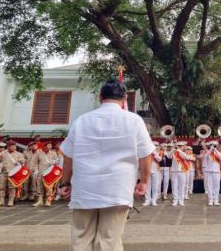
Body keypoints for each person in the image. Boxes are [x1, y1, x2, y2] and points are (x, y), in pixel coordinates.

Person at [59, 78, 154, 251]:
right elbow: (145, 155)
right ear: (125, 98)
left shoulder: (81, 120)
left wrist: (65, 182)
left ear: (100, 97)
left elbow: (68, 155)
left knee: (81, 237)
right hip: (117, 187)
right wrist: (144, 181)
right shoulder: (134, 120)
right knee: (109, 239)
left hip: (85, 187)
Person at [0, 141, 26, 207]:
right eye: (12, 146)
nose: (14, 147)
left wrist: (22, 161)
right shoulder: (2, 153)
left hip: (13, 173)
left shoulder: (19, 154)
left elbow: (23, 161)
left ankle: (11, 200)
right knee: (1, 187)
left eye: (14, 146)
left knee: (12, 187)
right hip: (4, 172)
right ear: (8, 147)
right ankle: (1, 200)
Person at [32, 141, 58, 207]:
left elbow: (57, 161)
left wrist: (54, 162)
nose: (50, 146)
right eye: (49, 145)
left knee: (49, 187)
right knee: (39, 186)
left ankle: (48, 200)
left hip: (50, 172)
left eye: (51, 145)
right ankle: (40, 200)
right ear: (45, 146)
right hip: (41, 172)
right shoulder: (39, 153)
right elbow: (34, 162)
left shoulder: (53, 153)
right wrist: (35, 170)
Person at [169, 141, 193, 206]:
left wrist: (179, 150)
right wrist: (172, 149)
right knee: (174, 186)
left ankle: (181, 200)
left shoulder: (185, 152)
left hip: (182, 171)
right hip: (174, 171)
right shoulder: (174, 152)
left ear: (183, 147)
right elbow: (168, 156)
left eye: (180, 146)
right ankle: (175, 200)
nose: (179, 147)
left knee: (182, 186)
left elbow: (187, 157)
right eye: (178, 146)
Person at [202, 140, 221, 206]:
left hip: (216, 171)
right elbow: (205, 157)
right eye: (211, 145)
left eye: (214, 145)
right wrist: (211, 149)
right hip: (209, 171)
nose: (213, 146)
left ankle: (216, 200)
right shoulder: (207, 153)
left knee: (217, 186)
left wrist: (216, 150)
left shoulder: (218, 153)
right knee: (209, 186)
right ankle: (210, 200)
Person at [143, 141, 162, 206]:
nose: (154, 147)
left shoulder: (158, 152)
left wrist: (154, 153)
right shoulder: (146, 153)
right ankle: (147, 200)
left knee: (155, 186)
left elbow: (159, 159)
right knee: (147, 186)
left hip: (155, 170)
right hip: (148, 170)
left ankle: (154, 200)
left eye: (155, 146)